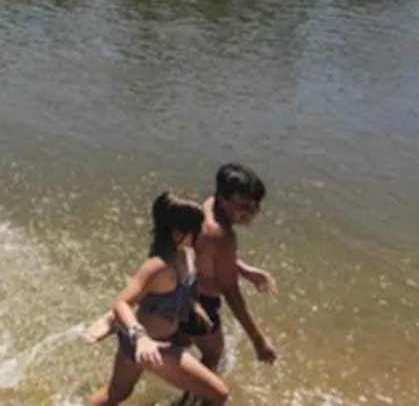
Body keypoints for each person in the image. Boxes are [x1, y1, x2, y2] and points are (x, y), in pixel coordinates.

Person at [88, 191, 229, 406]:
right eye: (197, 228)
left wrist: (194, 307)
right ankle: (111, 323)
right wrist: (141, 338)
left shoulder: (186, 255)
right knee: (219, 394)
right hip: (148, 345)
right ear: (177, 234)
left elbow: (183, 291)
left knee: (116, 394)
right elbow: (121, 303)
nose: (203, 232)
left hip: (153, 340)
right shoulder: (159, 267)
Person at [181, 163, 278, 374]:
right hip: (201, 303)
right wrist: (259, 339)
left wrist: (243, 269)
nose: (252, 212)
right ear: (224, 198)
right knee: (214, 357)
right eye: (244, 205)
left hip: (182, 294)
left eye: (256, 205)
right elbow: (231, 292)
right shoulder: (222, 236)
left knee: (182, 347)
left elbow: (205, 253)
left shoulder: (207, 206)